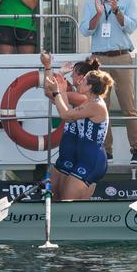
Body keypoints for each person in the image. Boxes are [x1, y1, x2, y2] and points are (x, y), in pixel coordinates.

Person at [78, 0, 137, 162]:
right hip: (99, 60)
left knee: (128, 105)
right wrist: (98, 14)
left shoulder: (129, 2)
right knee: (100, 106)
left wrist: (115, 10)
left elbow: (131, 27)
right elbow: (85, 31)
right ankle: (106, 150)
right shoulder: (91, 4)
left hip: (122, 56)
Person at [50, 68, 112, 200]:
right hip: (83, 158)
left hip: (92, 160)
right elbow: (67, 111)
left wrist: (57, 93)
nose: (79, 81)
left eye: (83, 80)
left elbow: (65, 115)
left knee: (68, 205)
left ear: (90, 86)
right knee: (59, 200)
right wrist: (61, 89)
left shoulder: (95, 106)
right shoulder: (89, 102)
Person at [41, 51, 96, 198]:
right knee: (53, 197)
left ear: (81, 78)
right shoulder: (73, 94)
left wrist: (56, 71)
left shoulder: (83, 98)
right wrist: (50, 68)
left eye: (73, 74)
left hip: (83, 156)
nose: (71, 77)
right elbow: (50, 92)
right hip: (69, 153)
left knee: (68, 200)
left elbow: (57, 98)